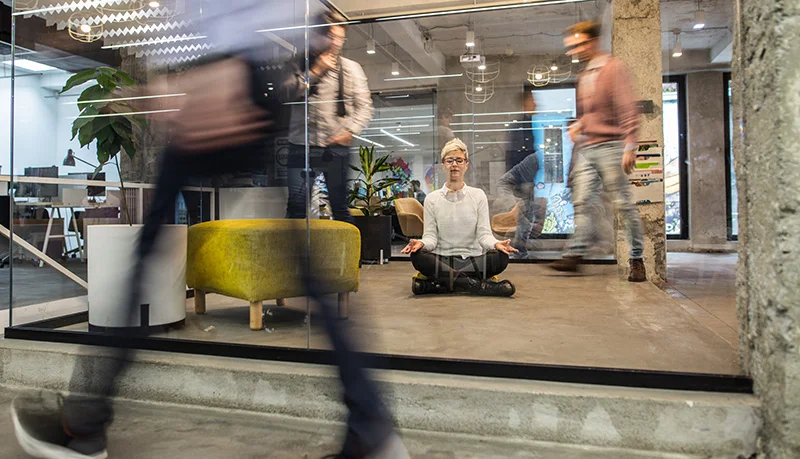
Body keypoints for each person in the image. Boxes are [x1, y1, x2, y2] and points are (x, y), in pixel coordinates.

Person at [10, 6, 409, 459]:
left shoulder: (296, 57)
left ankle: (83, 425)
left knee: (150, 253)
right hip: (246, 79)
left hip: (234, 76)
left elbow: (232, 16)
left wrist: (224, 77)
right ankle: (370, 425)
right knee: (300, 259)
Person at [550, 20, 647, 282]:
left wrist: (630, 144)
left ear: (593, 42)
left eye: (579, 45)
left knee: (623, 205)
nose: (575, 51)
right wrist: (579, 125)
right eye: (571, 47)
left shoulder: (613, 69)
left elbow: (627, 108)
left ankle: (637, 258)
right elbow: (590, 113)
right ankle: (575, 255)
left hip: (612, 146)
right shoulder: (583, 76)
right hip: (588, 147)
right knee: (582, 203)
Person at [281, 11, 373, 222]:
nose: (337, 43)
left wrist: (350, 131)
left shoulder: (351, 69)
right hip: (301, 147)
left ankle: (348, 256)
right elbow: (285, 94)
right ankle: (293, 255)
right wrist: (315, 71)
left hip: (336, 148)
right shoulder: (296, 64)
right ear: (316, 35)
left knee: (340, 207)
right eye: (331, 37)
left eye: (340, 38)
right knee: (296, 207)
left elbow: (365, 107)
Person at [401, 138, 517, 296]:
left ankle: (438, 285)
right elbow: (430, 237)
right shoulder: (432, 199)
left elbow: (484, 235)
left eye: (459, 160)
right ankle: (478, 286)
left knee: (501, 257)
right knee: (418, 256)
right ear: (443, 165)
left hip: (473, 261)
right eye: (449, 160)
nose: (454, 164)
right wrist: (420, 243)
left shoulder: (478, 195)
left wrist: (496, 244)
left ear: (466, 165)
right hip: (443, 260)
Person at [494, 152, 540, 259]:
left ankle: (519, 251)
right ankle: (519, 253)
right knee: (524, 222)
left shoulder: (539, 161)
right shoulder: (533, 160)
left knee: (524, 222)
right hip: (508, 186)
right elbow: (527, 188)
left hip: (521, 190)